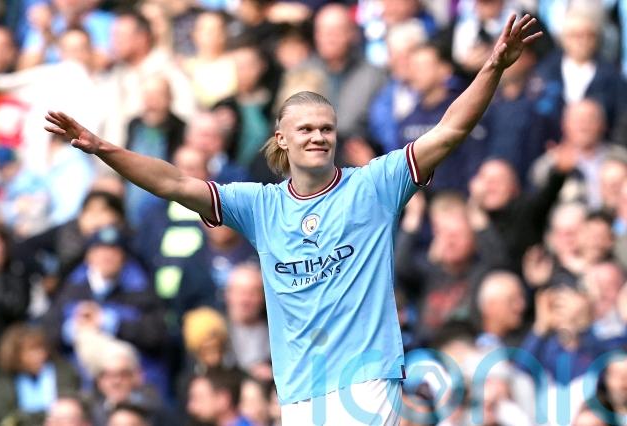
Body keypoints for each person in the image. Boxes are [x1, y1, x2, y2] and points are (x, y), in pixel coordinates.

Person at [44, 13, 542, 424]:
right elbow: (173, 183)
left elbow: (449, 131)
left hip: (366, 380)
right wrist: (103, 148)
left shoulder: (374, 185)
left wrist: (493, 67)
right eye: (306, 129)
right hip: (299, 389)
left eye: (327, 128)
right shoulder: (260, 205)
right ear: (282, 138)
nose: (318, 136)